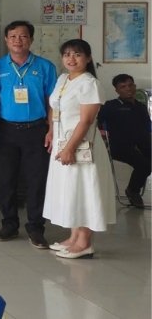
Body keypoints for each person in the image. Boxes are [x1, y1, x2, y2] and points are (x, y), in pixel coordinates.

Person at [44, 39, 115, 259]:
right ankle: (73, 237)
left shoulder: (89, 83)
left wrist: (69, 148)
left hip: (81, 146)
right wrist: (51, 132)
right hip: (62, 142)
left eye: (77, 54)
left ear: (88, 58)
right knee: (70, 190)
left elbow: (86, 121)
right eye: (67, 54)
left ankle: (85, 242)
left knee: (84, 190)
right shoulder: (64, 79)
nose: (71, 59)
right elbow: (54, 108)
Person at [0, 20, 57, 249]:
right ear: (6, 40)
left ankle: (36, 228)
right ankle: (9, 224)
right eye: (13, 36)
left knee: (36, 181)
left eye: (23, 36)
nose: (18, 41)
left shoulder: (45, 67)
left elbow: (52, 102)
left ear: (31, 39)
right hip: (5, 131)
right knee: (5, 180)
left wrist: (51, 129)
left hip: (36, 130)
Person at [98, 74, 151, 208]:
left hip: (141, 143)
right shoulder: (111, 106)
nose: (128, 89)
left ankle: (134, 188)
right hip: (118, 145)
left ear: (134, 86)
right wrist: (102, 132)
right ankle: (132, 190)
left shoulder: (140, 107)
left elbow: (147, 128)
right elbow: (96, 123)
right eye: (123, 87)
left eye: (130, 85)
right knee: (144, 165)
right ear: (117, 90)